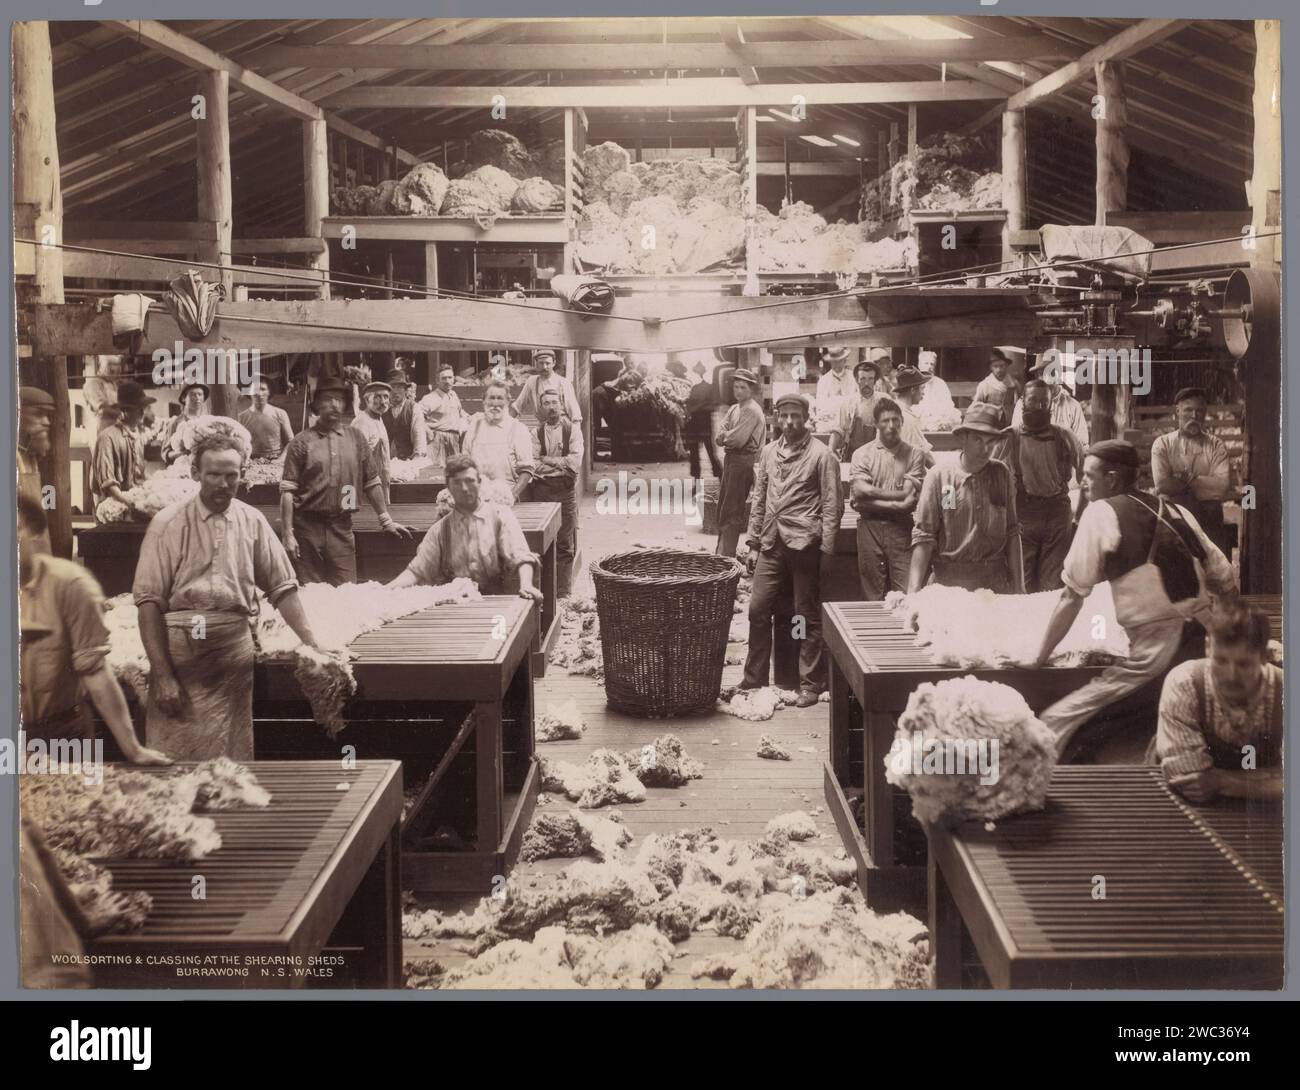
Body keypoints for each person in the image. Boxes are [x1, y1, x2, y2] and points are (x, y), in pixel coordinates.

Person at [1032, 439, 1238, 755]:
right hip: (1208, 643)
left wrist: (1038, 659)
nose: (1083, 482)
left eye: (1089, 475)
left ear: (1112, 479)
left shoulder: (1100, 512)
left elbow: (1072, 596)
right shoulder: (1175, 509)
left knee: (1055, 721)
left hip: (1161, 652)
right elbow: (1225, 579)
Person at [135, 433, 322, 760]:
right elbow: (149, 602)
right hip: (181, 659)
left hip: (232, 657)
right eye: (214, 474)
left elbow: (283, 588)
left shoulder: (252, 521)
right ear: (196, 474)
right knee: (175, 761)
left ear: (242, 474)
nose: (223, 483)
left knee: (230, 764)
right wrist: (163, 675)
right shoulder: (166, 524)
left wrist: (313, 643)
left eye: (231, 475)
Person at [18, 495, 170, 764]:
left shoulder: (70, 585)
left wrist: (133, 749)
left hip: (60, 733)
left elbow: (95, 671)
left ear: (36, 534)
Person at [742, 393, 840, 706]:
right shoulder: (769, 452)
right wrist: (753, 543)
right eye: (783, 416)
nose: (788, 422)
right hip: (771, 543)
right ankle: (754, 679)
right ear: (776, 418)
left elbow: (831, 505)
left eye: (795, 416)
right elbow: (759, 499)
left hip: (804, 545)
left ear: (806, 418)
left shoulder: (822, 456)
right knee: (758, 609)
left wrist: (827, 550)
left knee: (804, 615)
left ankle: (809, 683)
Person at [280, 380, 413, 586]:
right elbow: (288, 490)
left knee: (347, 591)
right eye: (327, 400)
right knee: (312, 596)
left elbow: (371, 480)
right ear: (316, 405)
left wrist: (386, 520)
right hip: (307, 530)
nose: (334, 404)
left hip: (342, 527)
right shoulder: (301, 441)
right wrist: (288, 534)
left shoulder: (355, 437)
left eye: (339, 400)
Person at [1153, 602, 1282, 803]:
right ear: (1207, 648)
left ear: (1264, 656)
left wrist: (1222, 782)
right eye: (1221, 660)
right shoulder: (1184, 683)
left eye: (1243, 664)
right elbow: (1190, 778)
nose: (1231, 675)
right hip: (1187, 806)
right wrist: (1272, 780)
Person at [388, 454, 543, 601]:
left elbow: (521, 556)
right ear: (448, 487)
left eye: (469, 481)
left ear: (479, 482)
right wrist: (386, 590)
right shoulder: (441, 529)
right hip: (455, 604)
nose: (464, 488)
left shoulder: (500, 516)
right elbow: (417, 571)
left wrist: (526, 584)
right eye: (457, 482)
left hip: (493, 602)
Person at [909, 402, 1025, 594]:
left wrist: (1019, 587)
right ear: (963, 438)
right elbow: (924, 537)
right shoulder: (940, 477)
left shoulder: (1001, 474)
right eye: (978, 440)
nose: (985, 449)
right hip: (949, 585)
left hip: (994, 585)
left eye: (991, 442)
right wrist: (912, 591)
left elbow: (1012, 533)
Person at [992, 379, 1085, 593]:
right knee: (1021, 584)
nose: (1039, 407)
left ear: (1051, 404)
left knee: (1052, 586)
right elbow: (988, 473)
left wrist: (1079, 515)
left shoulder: (1065, 436)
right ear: (1023, 401)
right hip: (1023, 516)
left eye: (1044, 402)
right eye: (1033, 400)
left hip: (1057, 515)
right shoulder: (1009, 437)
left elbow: (1087, 479)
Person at [850, 398, 926, 601]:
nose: (891, 426)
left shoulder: (915, 454)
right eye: (885, 421)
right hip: (869, 527)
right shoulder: (862, 454)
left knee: (906, 594)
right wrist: (896, 502)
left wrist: (870, 495)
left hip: (901, 528)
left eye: (895, 420)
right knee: (872, 594)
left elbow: (909, 499)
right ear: (876, 424)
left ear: (902, 421)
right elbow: (858, 494)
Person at [1151, 387, 1233, 556]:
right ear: (1177, 411)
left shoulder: (1216, 445)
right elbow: (1162, 485)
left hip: (1208, 516)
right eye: (1188, 410)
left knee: (1214, 568)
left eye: (1200, 411)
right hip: (1174, 516)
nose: (1195, 416)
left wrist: (1183, 479)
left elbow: (1222, 486)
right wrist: (1202, 484)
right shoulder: (1163, 444)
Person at [526, 389, 583, 597]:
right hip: (541, 491)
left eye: (554, 402)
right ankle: (545, 592)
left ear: (561, 404)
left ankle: (564, 593)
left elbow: (574, 463)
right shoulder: (535, 433)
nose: (551, 407)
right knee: (542, 542)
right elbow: (532, 464)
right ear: (541, 408)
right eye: (546, 403)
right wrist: (560, 464)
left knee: (565, 542)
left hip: (565, 490)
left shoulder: (573, 430)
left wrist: (547, 460)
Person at [714, 367, 766, 557]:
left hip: (743, 460)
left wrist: (724, 436)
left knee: (733, 510)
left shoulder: (751, 410)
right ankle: (721, 553)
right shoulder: (735, 408)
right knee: (723, 508)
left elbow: (736, 440)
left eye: (743, 387)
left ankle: (726, 557)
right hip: (731, 460)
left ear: (751, 389)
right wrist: (725, 436)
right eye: (736, 387)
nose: (738, 391)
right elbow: (719, 435)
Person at [462, 380, 537, 500]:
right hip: (477, 496)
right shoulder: (474, 427)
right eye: (491, 398)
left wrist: (512, 495)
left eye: (500, 398)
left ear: (508, 401)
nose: (495, 403)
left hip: (506, 495)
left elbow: (527, 470)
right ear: (484, 401)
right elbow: (464, 463)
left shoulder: (518, 429)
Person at [90, 379, 153, 517]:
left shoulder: (137, 437)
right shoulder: (107, 438)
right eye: (138, 408)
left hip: (133, 501)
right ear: (125, 411)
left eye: (143, 408)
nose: (143, 413)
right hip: (113, 508)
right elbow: (109, 486)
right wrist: (132, 505)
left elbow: (138, 476)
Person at [1011, 357, 1089, 449]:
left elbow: (1082, 444)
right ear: (1037, 377)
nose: (1047, 378)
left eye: (1052, 373)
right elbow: (1015, 438)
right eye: (1042, 373)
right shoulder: (1023, 404)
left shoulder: (1073, 406)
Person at [18, 385, 54, 556]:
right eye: (39, 414)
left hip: (39, 556)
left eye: (48, 416)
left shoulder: (31, 458)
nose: (47, 422)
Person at [827, 360, 881, 460]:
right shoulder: (848, 402)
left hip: (878, 455)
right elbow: (838, 429)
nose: (866, 383)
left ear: (875, 380)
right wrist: (831, 449)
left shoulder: (884, 401)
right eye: (863, 378)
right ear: (857, 380)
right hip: (853, 455)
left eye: (870, 379)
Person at [514, 348, 583, 422]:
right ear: (536, 364)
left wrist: (575, 432)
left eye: (547, 363)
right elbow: (517, 406)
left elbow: (575, 414)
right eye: (541, 363)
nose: (544, 367)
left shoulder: (564, 383)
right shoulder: (532, 381)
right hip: (544, 427)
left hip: (562, 426)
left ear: (554, 363)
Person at [352, 380, 394, 500]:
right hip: (367, 488)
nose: (383, 401)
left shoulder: (378, 419)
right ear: (366, 400)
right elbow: (357, 460)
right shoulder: (362, 422)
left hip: (381, 484)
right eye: (377, 397)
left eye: (386, 397)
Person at [887, 365, 937, 466]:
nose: (923, 393)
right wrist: (940, 474)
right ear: (913, 390)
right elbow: (926, 456)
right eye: (922, 388)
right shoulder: (907, 418)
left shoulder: (891, 409)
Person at [683, 361, 722, 480]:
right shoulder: (691, 387)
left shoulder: (709, 387)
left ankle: (720, 476)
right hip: (694, 425)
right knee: (695, 454)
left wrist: (696, 408)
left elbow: (715, 405)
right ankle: (697, 480)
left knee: (710, 452)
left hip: (704, 424)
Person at [238, 380, 295, 460]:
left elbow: (291, 442)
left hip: (275, 459)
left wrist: (280, 460)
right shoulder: (241, 417)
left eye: (263, 389)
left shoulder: (280, 413)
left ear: (269, 392)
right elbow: (239, 444)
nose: (259, 393)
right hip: (251, 461)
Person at [161, 381, 211, 465]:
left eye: (200, 394)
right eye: (192, 394)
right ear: (184, 398)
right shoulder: (176, 422)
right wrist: (181, 454)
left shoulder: (207, 421)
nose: (197, 397)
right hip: (182, 468)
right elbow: (165, 453)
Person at [382, 368, 427, 462]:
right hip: (386, 460)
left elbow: (419, 435)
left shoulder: (414, 408)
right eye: (392, 387)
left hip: (409, 460)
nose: (395, 391)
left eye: (399, 387)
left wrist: (416, 459)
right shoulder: (382, 409)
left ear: (405, 390)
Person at [973, 347, 1020, 428]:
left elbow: (1019, 404)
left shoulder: (1014, 384)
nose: (999, 369)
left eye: (1002, 366)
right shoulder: (984, 385)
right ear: (991, 367)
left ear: (1006, 366)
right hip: (990, 422)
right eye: (995, 366)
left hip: (1010, 422)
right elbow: (977, 405)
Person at [814, 346, 857, 431]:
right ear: (830, 362)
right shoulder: (823, 381)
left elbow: (856, 401)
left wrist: (833, 401)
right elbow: (821, 407)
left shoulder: (854, 378)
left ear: (844, 360)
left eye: (839, 361)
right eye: (834, 362)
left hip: (851, 423)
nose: (836, 364)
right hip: (830, 424)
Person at [914, 350, 958, 422]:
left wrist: (939, 414)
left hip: (938, 416)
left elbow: (948, 403)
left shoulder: (940, 383)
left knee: (954, 414)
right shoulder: (914, 382)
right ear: (919, 365)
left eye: (932, 364)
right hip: (921, 416)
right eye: (926, 363)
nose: (929, 367)